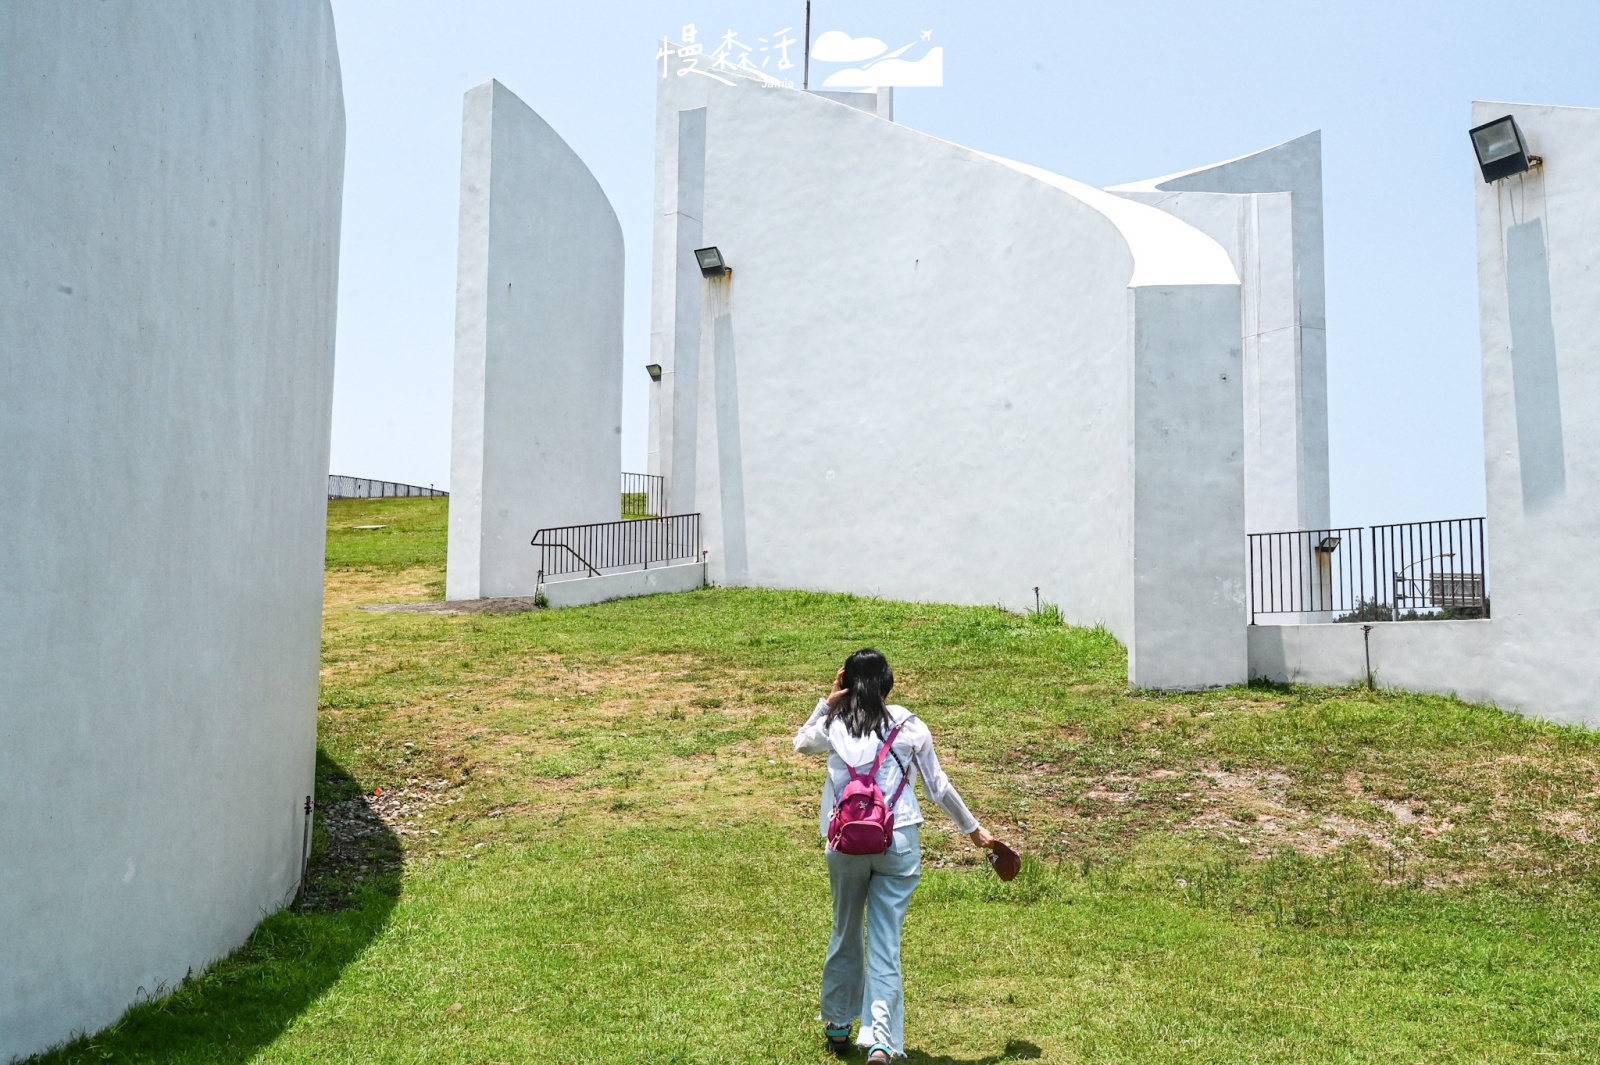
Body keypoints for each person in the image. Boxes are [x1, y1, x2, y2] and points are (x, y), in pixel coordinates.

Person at [793, 648, 997, 1061]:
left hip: (844, 844)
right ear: (888, 684)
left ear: (846, 682)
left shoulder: (834, 723)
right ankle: (882, 1042)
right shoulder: (909, 725)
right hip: (898, 840)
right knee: (886, 943)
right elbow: (938, 787)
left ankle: (837, 1024)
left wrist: (828, 700)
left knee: (844, 929)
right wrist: (974, 831)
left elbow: (801, 743)